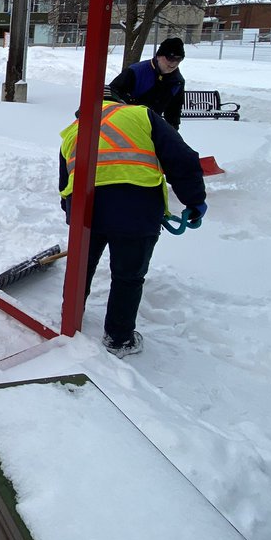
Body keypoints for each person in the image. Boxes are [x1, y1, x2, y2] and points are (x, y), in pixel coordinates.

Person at [58, 87, 206, 357]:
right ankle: (118, 338)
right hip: (135, 207)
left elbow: (64, 182)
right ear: (120, 102)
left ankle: (70, 322)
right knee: (128, 276)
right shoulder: (141, 116)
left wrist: (70, 213)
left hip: (85, 209)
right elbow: (182, 159)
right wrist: (194, 200)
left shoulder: (72, 130)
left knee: (82, 267)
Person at [107, 36, 186, 129]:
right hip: (125, 122)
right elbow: (112, 91)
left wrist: (172, 132)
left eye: (178, 59)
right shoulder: (136, 71)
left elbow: (174, 111)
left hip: (151, 126)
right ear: (159, 56)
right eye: (170, 58)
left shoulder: (177, 82)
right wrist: (125, 103)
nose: (174, 63)